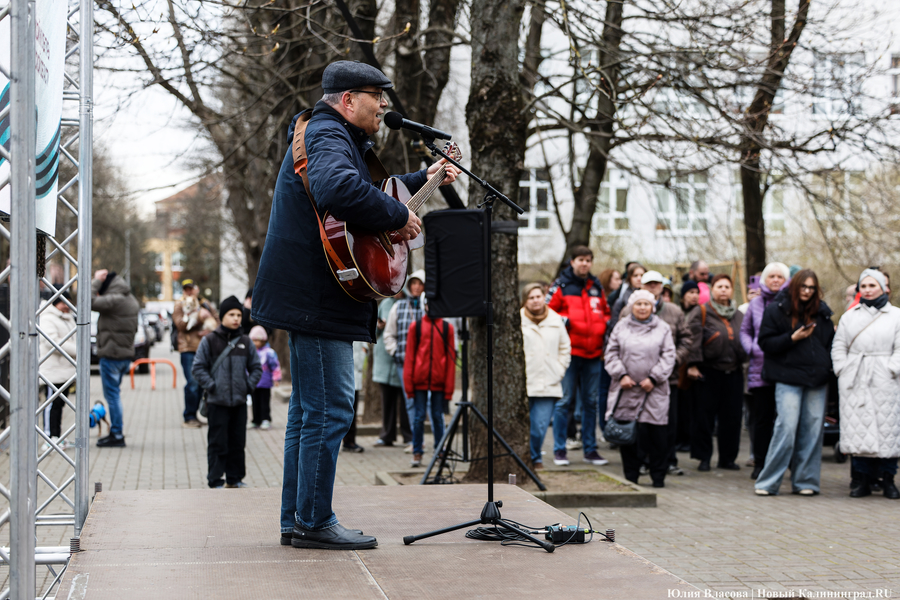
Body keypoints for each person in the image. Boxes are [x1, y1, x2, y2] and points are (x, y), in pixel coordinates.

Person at [251, 60, 459, 550]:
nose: (385, 104)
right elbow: (339, 189)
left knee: (308, 413)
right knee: (332, 411)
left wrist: (420, 179)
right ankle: (314, 521)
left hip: (313, 295)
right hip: (318, 299)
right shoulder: (328, 134)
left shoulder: (330, 135)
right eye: (377, 96)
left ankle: (298, 518)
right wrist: (397, 215)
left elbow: (367, 189)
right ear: (348, 100)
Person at [752, 270, 834, 496]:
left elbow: (829, 343)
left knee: (813, 430)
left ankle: (805, 481)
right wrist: (792, 338)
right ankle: (767, 482)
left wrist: (827, 366)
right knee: (786, 427)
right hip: (787, 377)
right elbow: (765, 343)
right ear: (795, 287)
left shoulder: (823, 313)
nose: (807, 291)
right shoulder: (777, 310)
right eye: (803, 287)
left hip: (817, 378)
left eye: (811, 288)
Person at [832, 269, 900, 499]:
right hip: (855, 377)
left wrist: (891, 369)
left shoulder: (896, 316)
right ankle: (861, 480)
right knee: (858, 429)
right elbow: (839, 345)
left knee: (888, 429)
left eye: (873, 285)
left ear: (883, 287)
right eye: (864, 286)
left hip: (885, 379)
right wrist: (842, 368)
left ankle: (888, 479)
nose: (868, 290)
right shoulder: (849, 316)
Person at [618, 271, 693, 475]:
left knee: (667, 424)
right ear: (641, 286)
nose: (653, 287)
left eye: (656, 284)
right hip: (635, 381)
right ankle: (641, 462)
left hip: (670, 379)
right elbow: (615, 341)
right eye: (648, 284)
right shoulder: (627, 311)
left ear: (662, 287)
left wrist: (673, 361)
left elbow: (686, 340)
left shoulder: (674, 311)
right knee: (640, 424)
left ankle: (667, 461)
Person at [604, 290, 676, 487]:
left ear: (653, 306)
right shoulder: (621, 327)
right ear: (631, 307)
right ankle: (631, 477)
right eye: (638, 304)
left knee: (657, 437)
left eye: (646, 304)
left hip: (654, 390)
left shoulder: (663, 328)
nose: (642, 308)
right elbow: (611, 353)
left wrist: (654, 377)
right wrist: (621, 375)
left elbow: (669, 355)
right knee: (629, 438)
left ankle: (658, 477)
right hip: (626, 389)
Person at [547, 245, 611, 466]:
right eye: (580, 260)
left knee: (591, 403)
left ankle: (590, 450)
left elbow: (606, 312)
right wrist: (568, 321)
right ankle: (559, 450)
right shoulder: (561, 285)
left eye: (588, 260)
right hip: (569, 354)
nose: (585, 263)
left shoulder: (596, 286)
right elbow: (548, 313)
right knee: (564, 401)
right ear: (572, 262)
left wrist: (603, 325)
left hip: (594, 354)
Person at [193, 296, 263, 489]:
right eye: (231, 314)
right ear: (222, 316)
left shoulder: (246, 342)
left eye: (239, 315)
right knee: (217, 443)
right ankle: (215, 480)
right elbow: (198, 367)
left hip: (239, 402)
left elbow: (257, 368)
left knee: (237, 442)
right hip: (217, 402)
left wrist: (247, 386)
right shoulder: (209, 340)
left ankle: (235, 478)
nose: (236, 318)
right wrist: (212, 385)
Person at [686, 273, 747, 471]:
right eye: (719, 286)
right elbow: (692, 339)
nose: (723, 290)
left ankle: (727, 458)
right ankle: (703, 457)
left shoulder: (739, 315)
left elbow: (745, 337)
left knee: (732, 418)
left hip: (733, 372)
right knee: (704, 417)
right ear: (712, 290)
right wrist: (692, 364)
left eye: (727, 287)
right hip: (708, 371)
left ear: (731, 290)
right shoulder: (701, 311)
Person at [739, 262, 790, 479]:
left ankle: (786, 462)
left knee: (786, 419)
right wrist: (752, 348)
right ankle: (760, 462)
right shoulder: (756, 304)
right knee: (761, 419)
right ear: (764, 280)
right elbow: (745, 331)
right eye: (772, 276)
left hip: (785, 368)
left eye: (780, 276)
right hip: (760, 369)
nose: (776, 280)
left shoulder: (791, 303)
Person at [521, 283, 571, 470]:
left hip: (548, 382)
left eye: (538, 296)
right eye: (531, 297)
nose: (535, 301)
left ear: (544, 298)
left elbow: (565, 348)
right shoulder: (517, 320)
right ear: (525, 301)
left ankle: (534, 458)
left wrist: (558, 370)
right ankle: (525, 459)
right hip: (524, 381)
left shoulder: (556, 320)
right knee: (521, 426)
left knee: (539, 427)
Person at [403, 298, 455, 468]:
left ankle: (440, 452)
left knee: (438, 417)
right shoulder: (415, 327)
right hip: (420, 381)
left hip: (439, 381)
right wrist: (409, 385)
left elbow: (450, 360)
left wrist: (449, 388)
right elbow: (410, 356)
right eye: (428, 303)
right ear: (424, 305)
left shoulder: (448, 328)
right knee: (418, 417)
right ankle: (417, 451)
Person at [92, 270, 139, 448]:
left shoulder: (115, 299)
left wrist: (96, 281)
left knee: (112, 397)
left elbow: (87, 301)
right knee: (115, 395)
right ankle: (116, 432)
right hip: (124, 355)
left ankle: (117, 434)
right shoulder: (130, 299)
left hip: (112, 355)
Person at [383, 270, 426, 449]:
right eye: (413, 283)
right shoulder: (398, 307)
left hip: (424, 363)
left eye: (420, 284)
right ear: (409, 286)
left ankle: (420, 439)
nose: (416, 287)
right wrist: (395, 352)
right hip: (404, 363)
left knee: (426, 401)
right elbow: (389, 334)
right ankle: (415, 441)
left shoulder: (427, 308)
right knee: (409, 401)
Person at [173, 279, 219, 428]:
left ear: (197, 289)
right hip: (188, 348)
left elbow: (218, 321)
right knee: (192, 383)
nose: (189, 291)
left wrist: (210, 331)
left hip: (206, 348)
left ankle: (195, 415)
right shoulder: (179, 304)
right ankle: (189, 416)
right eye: (186, 289)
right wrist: (200, 317)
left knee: (201, 383)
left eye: (191, 288)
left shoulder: (205, 303)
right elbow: (180, 324)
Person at [373, 292, 412, 447]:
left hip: (403, 358)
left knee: (406, 401)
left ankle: (409, 435)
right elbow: (374, 332)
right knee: (387, 401)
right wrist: (378, 327)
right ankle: (387, 435)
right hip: (384, 360)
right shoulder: (385, 304)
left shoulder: (410, 305)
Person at [39, 292, 77, 450]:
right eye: (64, 303)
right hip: (52, 371)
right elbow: (53, 342)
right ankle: (49, 438)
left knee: (59, 405)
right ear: (55, 303)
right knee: (51, 405)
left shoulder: (67, 318)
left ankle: (58, 437)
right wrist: (77, 350)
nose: (67, 306)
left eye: (69, 302)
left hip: (66, 371)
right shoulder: (47, 318)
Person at [248, 326, 281, 430]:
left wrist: (276, 378)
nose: (256, 343)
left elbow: (275, 366)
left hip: (265, 382)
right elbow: (245, 367)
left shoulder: (269, 352)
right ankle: (256, 420)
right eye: (254, 340)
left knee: (264, 402)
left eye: (259, 340)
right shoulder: (250, 352)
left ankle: (266, 419)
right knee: (255, 402)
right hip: (253, 382)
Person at [342, 341, 367, 453]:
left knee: (353, 409)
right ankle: (347, 441)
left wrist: (363, 351)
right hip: (346, 373)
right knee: (346, 409)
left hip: (356, 373)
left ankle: (350, 440)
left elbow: (364, 345)